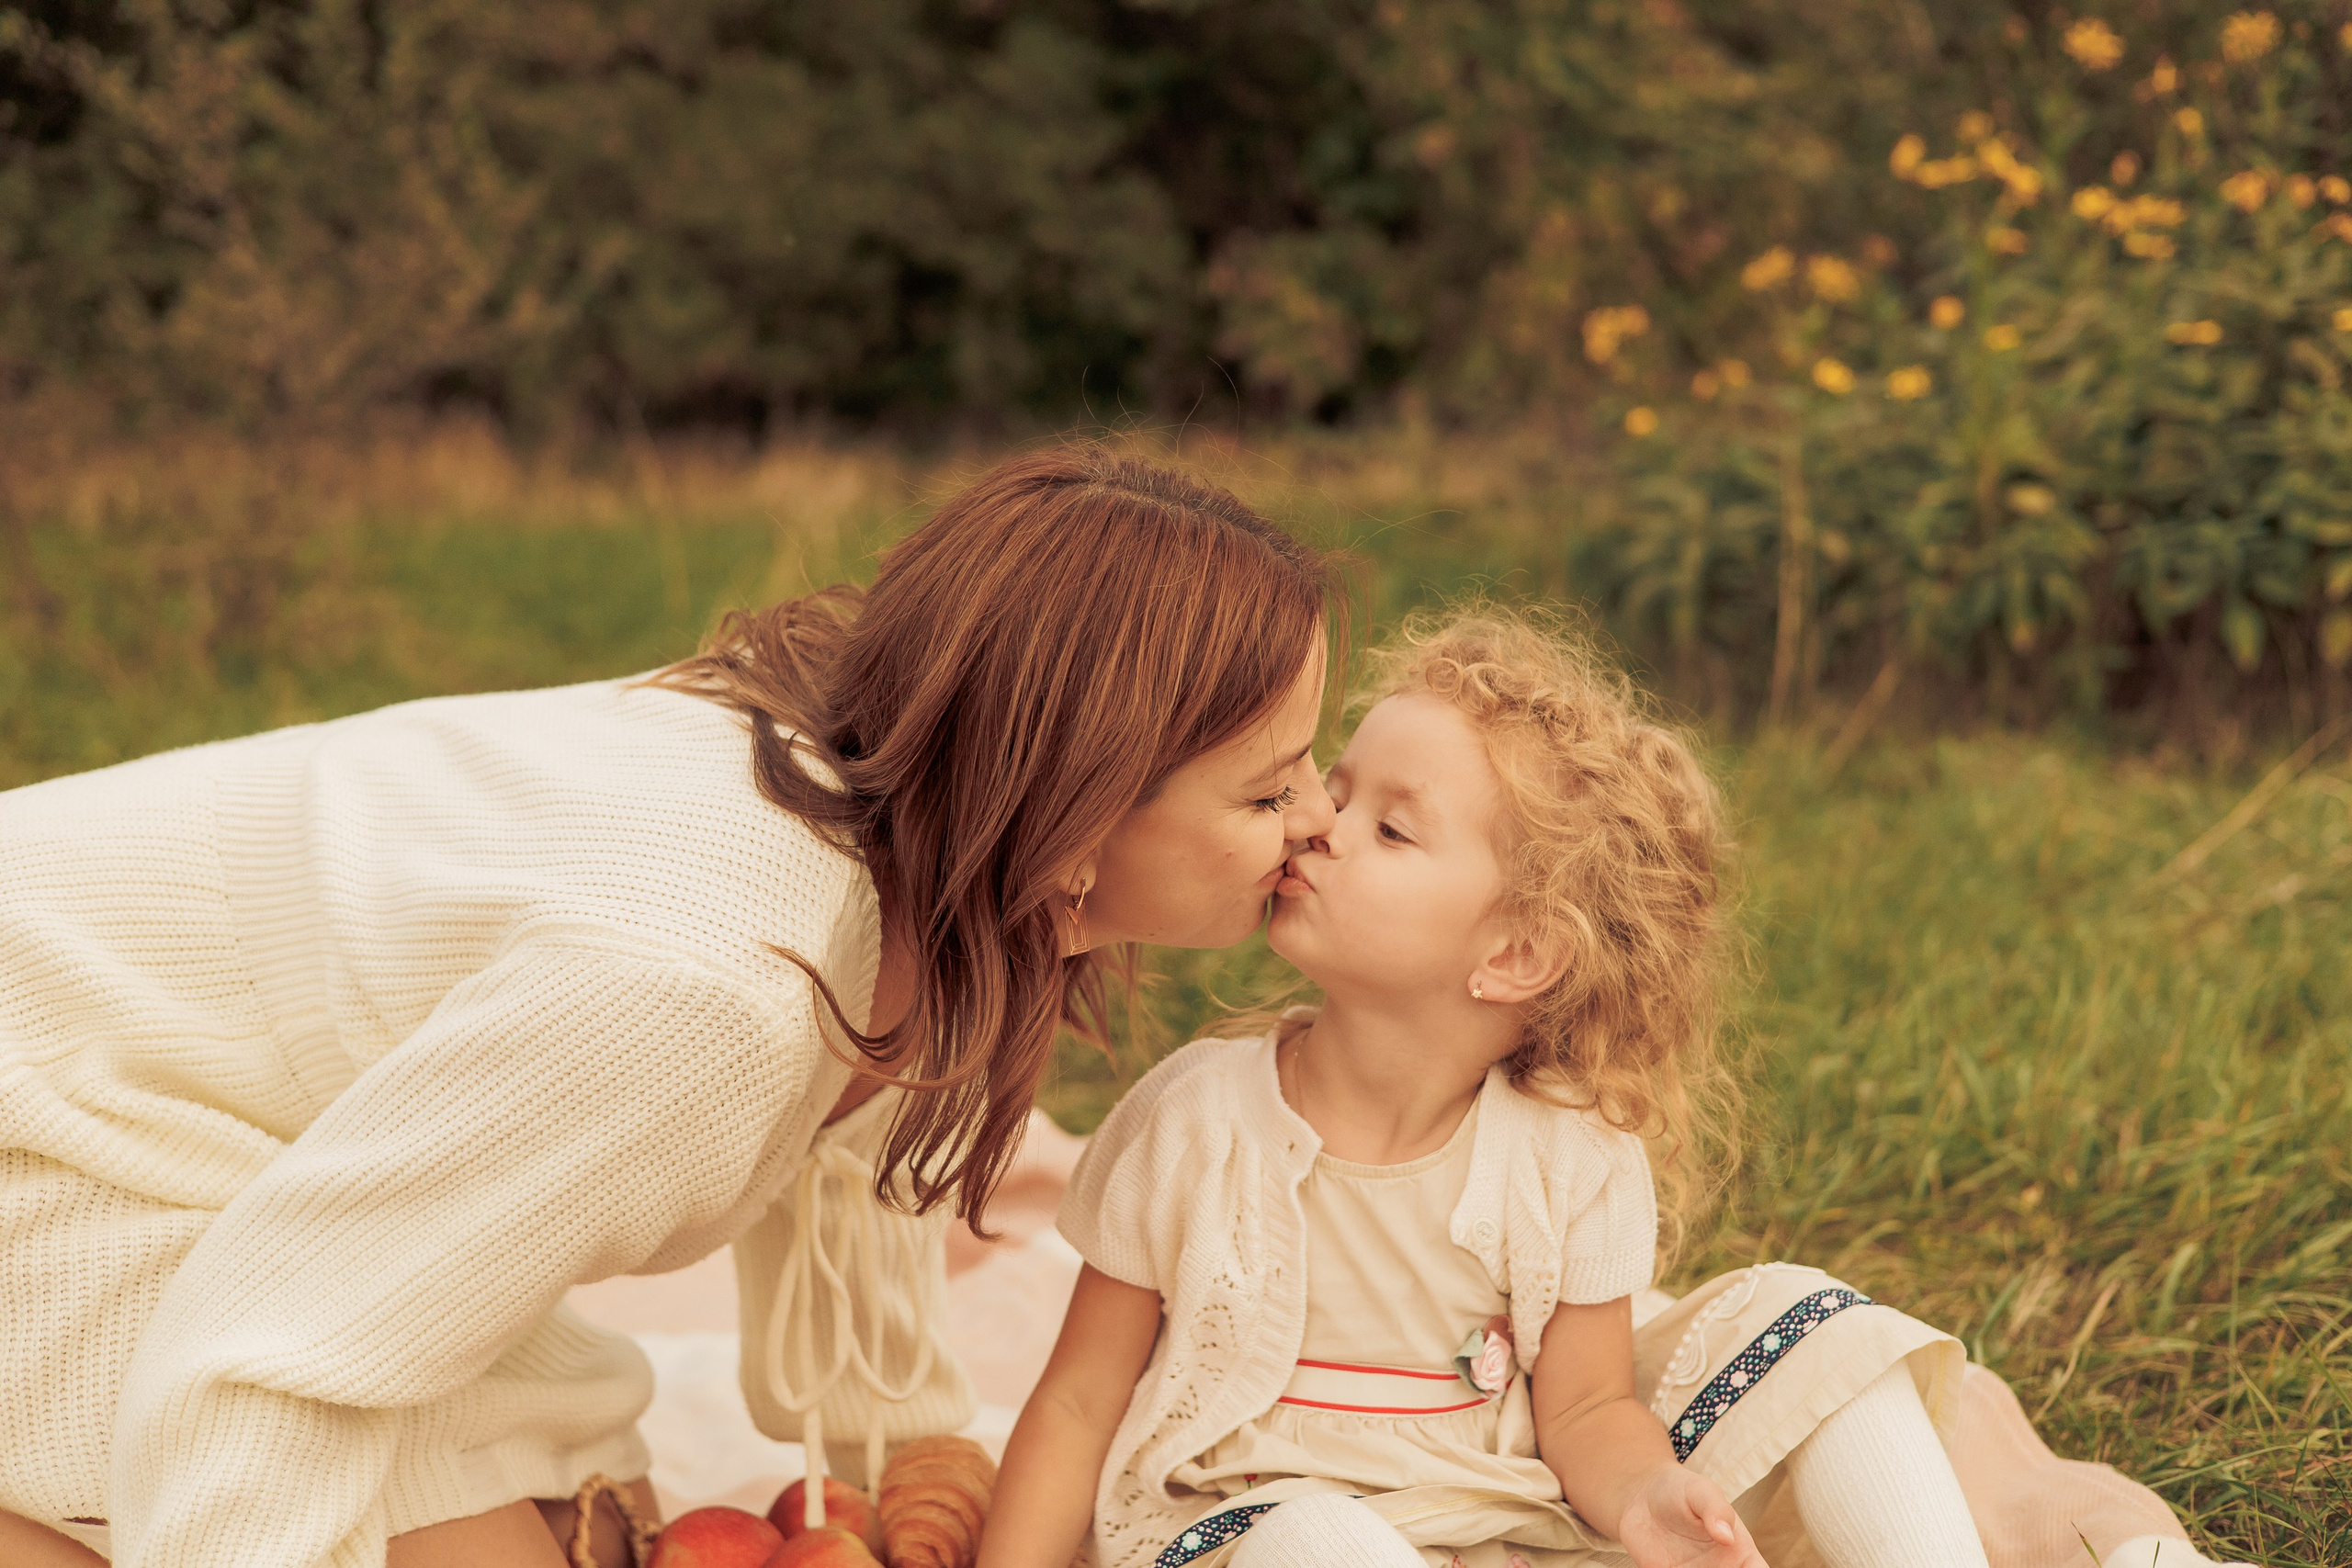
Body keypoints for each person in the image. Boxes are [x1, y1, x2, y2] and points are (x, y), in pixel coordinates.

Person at [0, 449, 1340, 1568]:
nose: (1320, 818)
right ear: (1074, 816)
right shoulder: (705, 993)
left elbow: (852, 1138)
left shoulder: (915, 842)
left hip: (193, 1112)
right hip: (47, 1105)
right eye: (1269, 792)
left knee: (590, 1501)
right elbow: (264, 1344)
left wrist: (907, 1445)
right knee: (286, 1485)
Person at [981, 604, 2002, 1568]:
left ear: (1514, 955)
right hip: (1251, 1531)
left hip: (1503, 1522)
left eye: (1391, 829)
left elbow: (1588, 1413)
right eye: (1339, 790)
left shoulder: (1571, 1156)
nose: (1320, 825)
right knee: (1322, 1540)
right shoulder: (1192, 1119)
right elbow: (1078, 1402)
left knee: (1817, 1325)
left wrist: (1647, 1496)